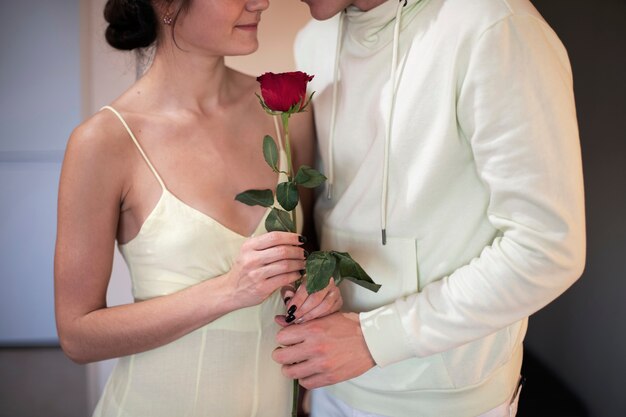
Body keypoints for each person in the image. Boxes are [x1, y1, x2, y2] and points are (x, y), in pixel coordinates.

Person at [272, 0, 586, 416]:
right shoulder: (314, 40)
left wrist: (373, 339)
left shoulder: (494, 26)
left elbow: (548, 248)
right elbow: (337, 208)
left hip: (447, 400)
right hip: (335, 381)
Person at [54, 0, 341, 416]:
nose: (260, 2)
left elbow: (306, 255)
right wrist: (228, 291)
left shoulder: (286, 110)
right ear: (165, 5)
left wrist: (319, 291)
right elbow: (77, 336)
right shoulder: (103, 142)